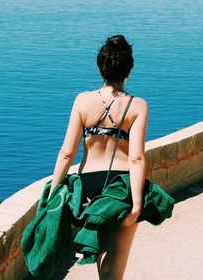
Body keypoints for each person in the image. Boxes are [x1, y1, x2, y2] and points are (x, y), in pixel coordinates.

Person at [48, 34, 148, 280]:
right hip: (122, 186)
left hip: (90, 184)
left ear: (100, 68)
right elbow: (136, 158)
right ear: (129, 71)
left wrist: (54, 188)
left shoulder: (82, 100)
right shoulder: (137, 106)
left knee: (100, 248)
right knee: (116, 259)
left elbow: (67, 153)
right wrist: (136, 203)